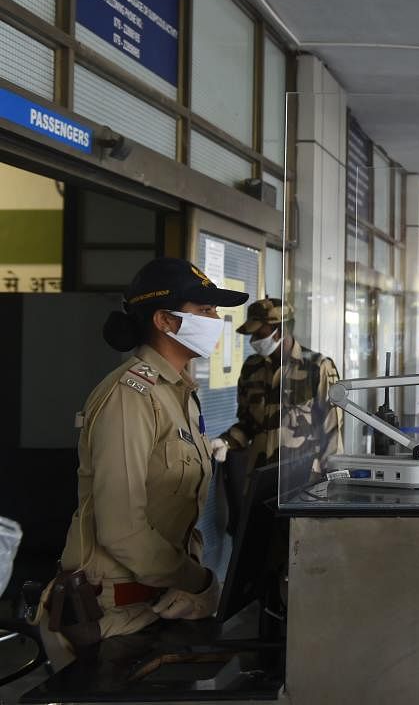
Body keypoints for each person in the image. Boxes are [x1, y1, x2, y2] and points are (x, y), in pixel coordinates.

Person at [37, 258, 248, 664]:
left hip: (158, 608)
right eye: (204, 310)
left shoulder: (178, 394)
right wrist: (201, 581)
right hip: (110, 618)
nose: (217, 319)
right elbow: (123, 529)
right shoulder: (130, 397)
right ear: (165, 322)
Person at [213, 298, 343, 477]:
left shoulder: (318, 367)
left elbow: (332, 430)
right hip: (259, 476)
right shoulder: (251, 368)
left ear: (280, 331)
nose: (253, 340)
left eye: (259, 333)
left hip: (304, 477)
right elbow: (248, 424)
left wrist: (332, 481)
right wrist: (226, 442)